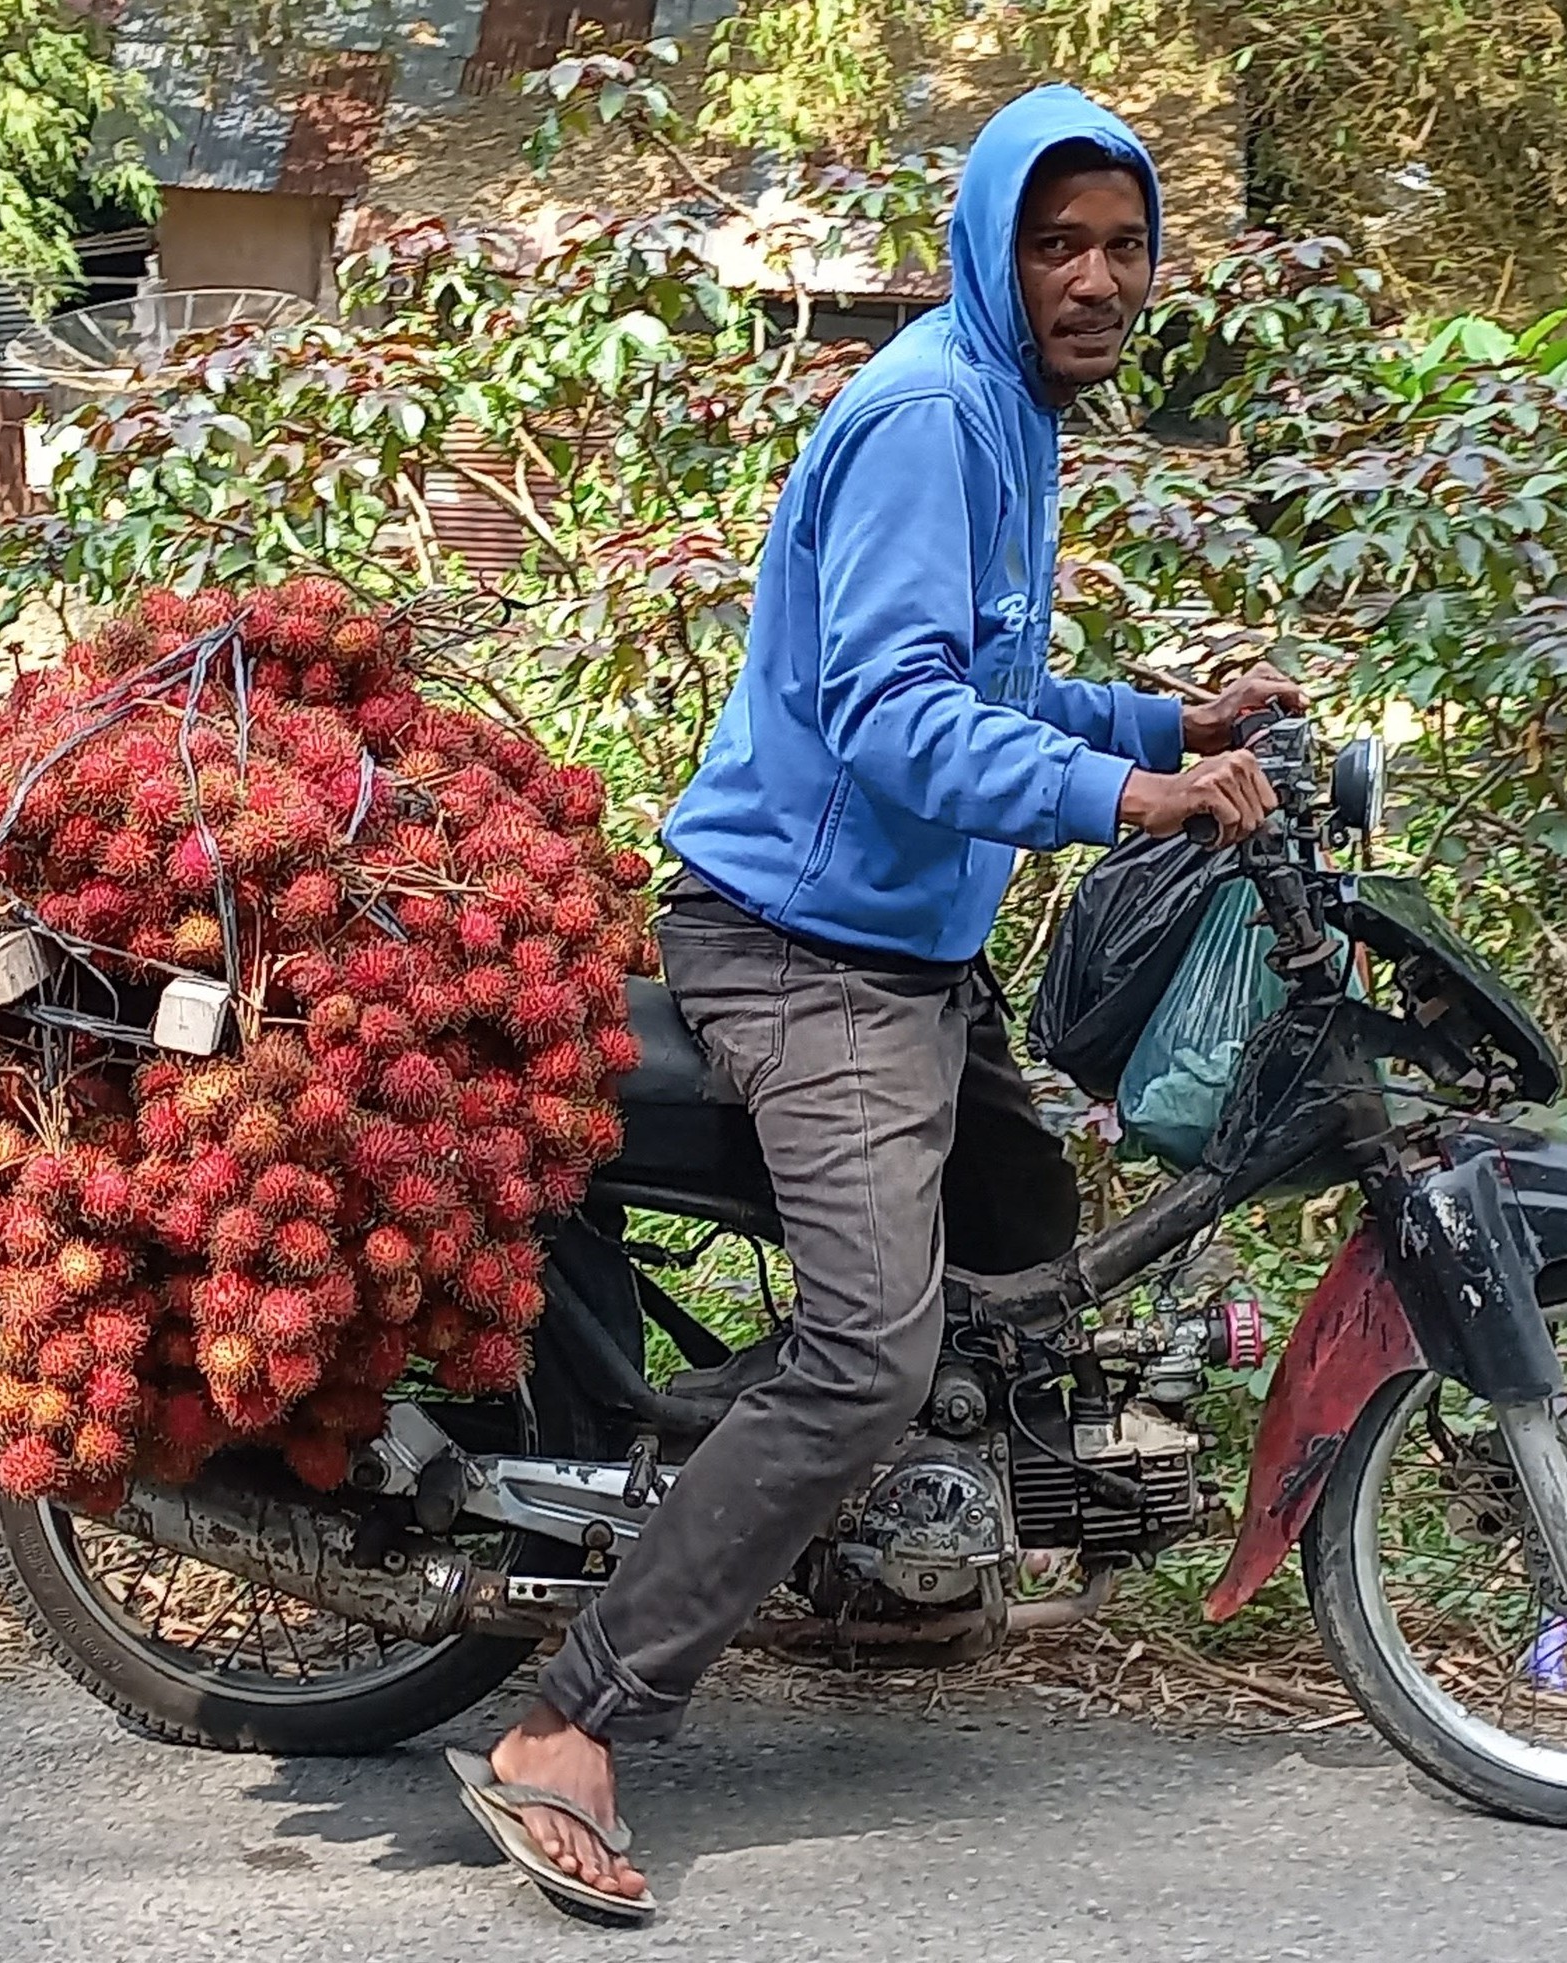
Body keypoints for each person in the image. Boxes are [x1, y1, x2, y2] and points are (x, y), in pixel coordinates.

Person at [447, 84, 1304, 1917]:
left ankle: (856, 1558)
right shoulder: (930, 417)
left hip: (904, 948)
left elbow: (988, 678)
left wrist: (1168, 724)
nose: (1092, 277)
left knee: (1020, 1244)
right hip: (804, 951)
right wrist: (1131, 799)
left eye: (1121, 244)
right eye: (1053, 242)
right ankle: (574, 1720)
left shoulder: (1006, 413)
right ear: (990, 250)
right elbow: (905, 721)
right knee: (869, 1348)